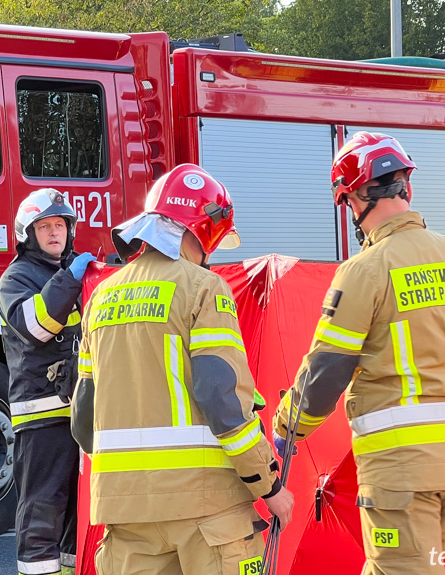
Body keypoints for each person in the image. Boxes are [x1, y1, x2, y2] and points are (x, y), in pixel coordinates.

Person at [271, 132, 445, 575]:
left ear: (355, 199)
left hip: (398, 474)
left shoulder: (364, 271)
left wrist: (287, 429)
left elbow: (326, 373)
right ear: (407, 188)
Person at [71, 164, 294, 575]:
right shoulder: (203, 288)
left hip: (124, 514)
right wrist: (270, 486)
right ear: (205, 231)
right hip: (208, 512)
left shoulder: (100, 298)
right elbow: (221, 401)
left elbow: (84, 421)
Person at [0, 188, 95, 575]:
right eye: (44, 227)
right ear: (27, 233)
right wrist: (70, 280)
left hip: (78, 412)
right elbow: (36, 326)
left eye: (60, 225)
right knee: (42, 510)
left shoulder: (74, 272)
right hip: (40, 417)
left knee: (75, 509)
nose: (55, 233)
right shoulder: (15, 279)